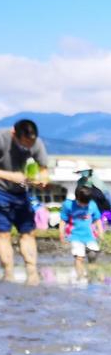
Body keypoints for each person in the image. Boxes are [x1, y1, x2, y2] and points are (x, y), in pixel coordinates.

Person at [0, 119, 50, 285]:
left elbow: (43, 168)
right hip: (1, 191)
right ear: (15, 134)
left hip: (23, 193)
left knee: (28, 232)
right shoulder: (2, 138)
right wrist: (10, 176)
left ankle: (32, 273)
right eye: (25, 143)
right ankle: (8, 273)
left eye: (31, 143)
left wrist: (42, 180)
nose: (29, 148)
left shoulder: (37, 143)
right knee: (3, 234)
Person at [59, 184, 102, 278]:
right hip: (75, 236)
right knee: (79, 257)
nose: (84, 205)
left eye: (86, 203)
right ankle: (80, 277)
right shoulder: (68, 205)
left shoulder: (92, 205)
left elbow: (97, 219)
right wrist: (61, 234)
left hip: (90, 236)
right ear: (77, 198)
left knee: (93, 255)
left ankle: (92, 275)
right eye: (81, 202)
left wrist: (101, 232)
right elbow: (63, 221)